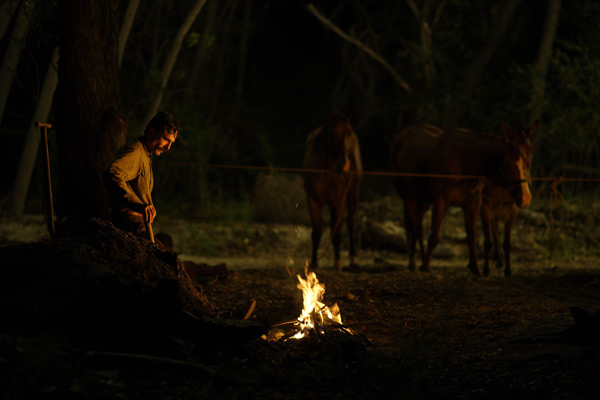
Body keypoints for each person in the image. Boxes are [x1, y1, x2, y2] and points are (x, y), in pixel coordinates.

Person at [104, 111, 179, 237]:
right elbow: (112, 173)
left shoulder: (145, 155)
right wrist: (135, 204)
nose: (168, 147)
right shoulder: (136, 150)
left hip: (137, 226)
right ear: (151, 133)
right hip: (128, 226)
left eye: (171, 142)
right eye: (166, 139)